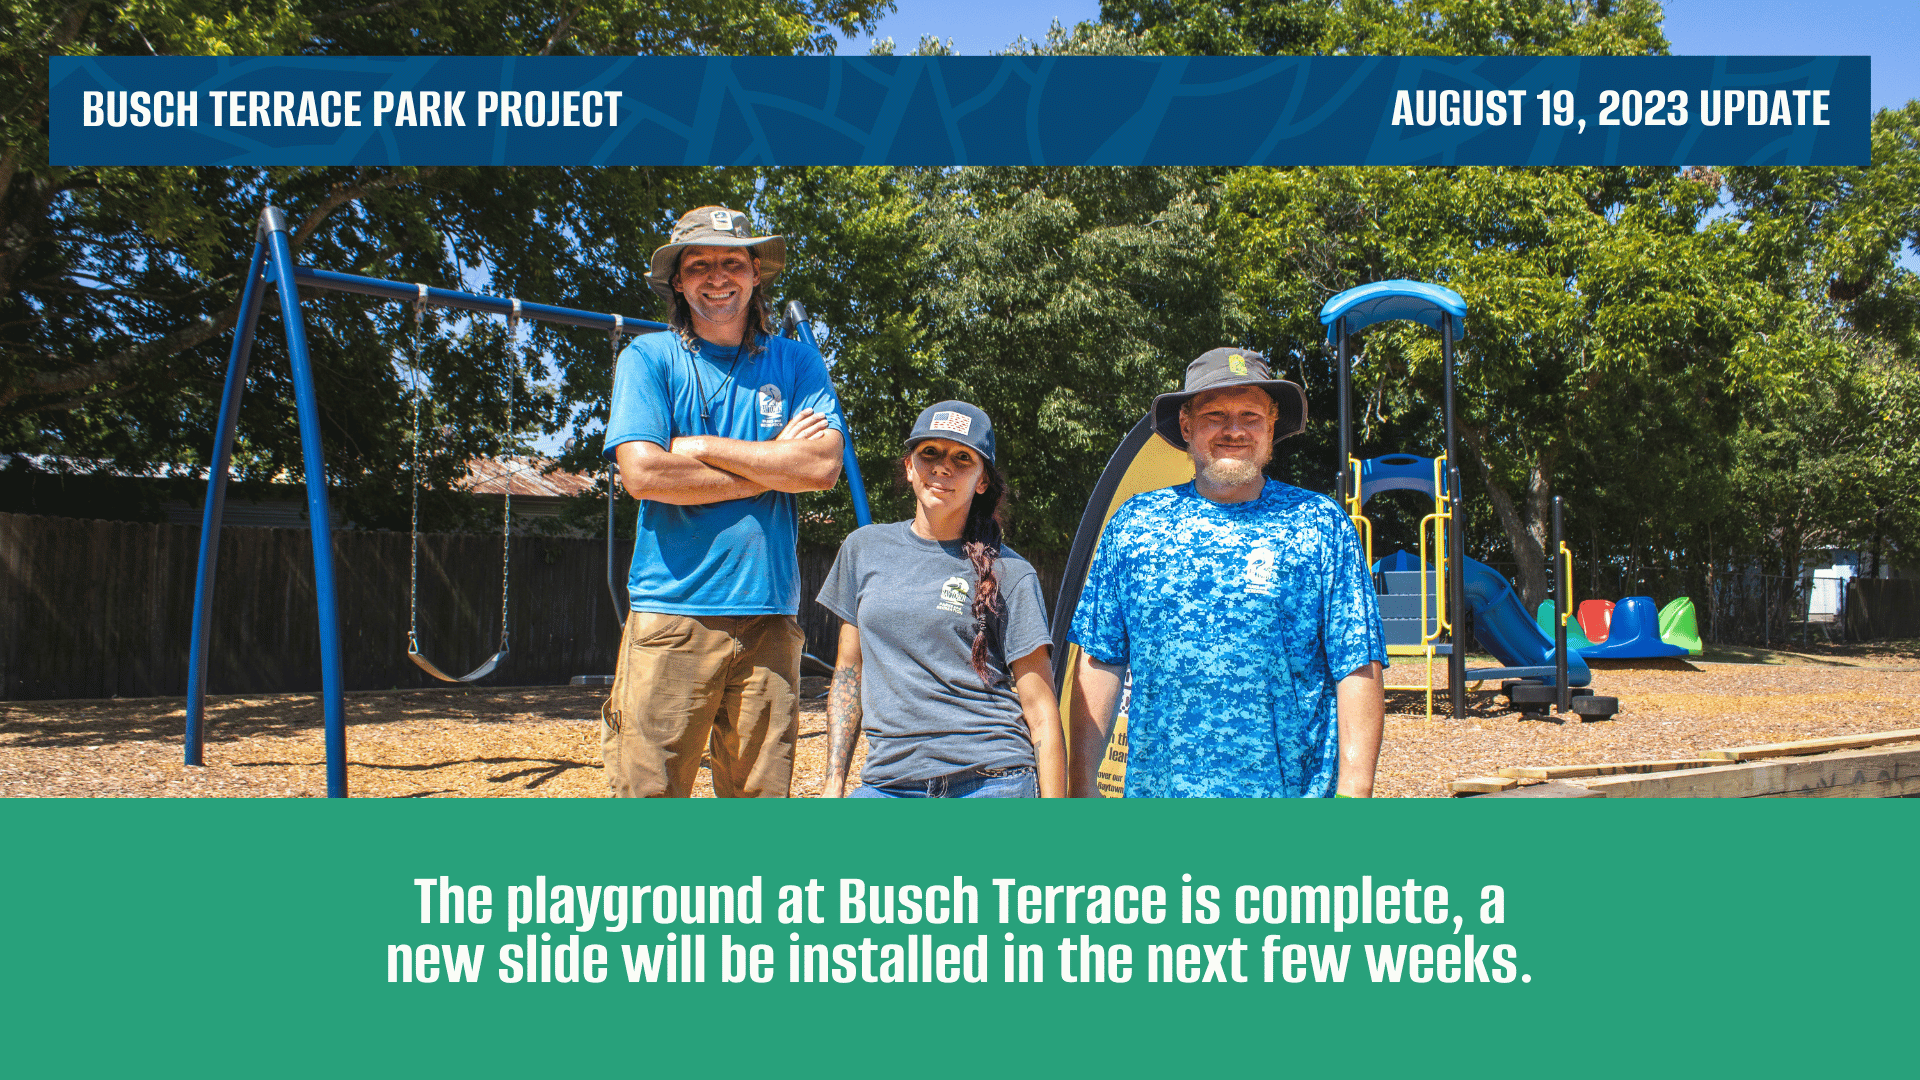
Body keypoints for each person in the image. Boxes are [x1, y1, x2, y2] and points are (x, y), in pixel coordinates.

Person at [600, 205, 845, 798]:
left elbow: (820, 466)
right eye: (699, 264)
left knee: (760, 804)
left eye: (731, 262)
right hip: (671, 614)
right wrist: (769, 467)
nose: (717, 277)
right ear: (678, 281)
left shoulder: (795, 360)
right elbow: (643, 473)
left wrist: (704, 447)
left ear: (756, 272)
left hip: (770, 618)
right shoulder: (648, 358)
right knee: (648, 801)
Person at [1067, 348, 1386, 798]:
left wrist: (1355, 793)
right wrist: (1081, 785)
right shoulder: (1135, 524)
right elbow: (1101, 659)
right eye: (1215, 414)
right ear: (1186, 425)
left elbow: (1357, 666)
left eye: (1250, 415)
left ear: (1272, 426)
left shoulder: (1319, 524)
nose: (1234, 430)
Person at [816, 401, 1065, 798]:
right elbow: (849, 671)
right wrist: (832, 786)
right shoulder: (862, 549)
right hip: (888, 784)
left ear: (982, 480)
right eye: (929, 452)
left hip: (992, 780)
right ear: (910, 466)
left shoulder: (1011, 573)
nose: (943, 466)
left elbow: (1041, 712)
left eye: (962, 458)